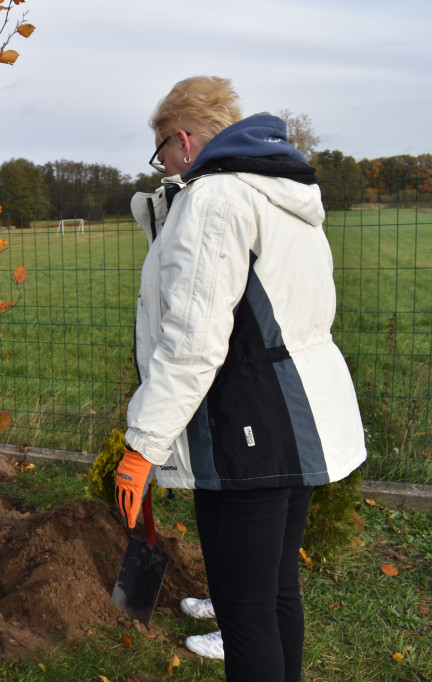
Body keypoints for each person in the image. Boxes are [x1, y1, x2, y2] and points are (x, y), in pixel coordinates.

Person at [115, 76, 366, 682]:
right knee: (277, 593)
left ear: (184, 140)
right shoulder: (282, 187)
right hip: (296, 417)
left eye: (162, 152)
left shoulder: (216, 199)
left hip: (246, 425)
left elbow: (194, 343)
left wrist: (142, 444)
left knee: (245, 610)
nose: (164, 166)